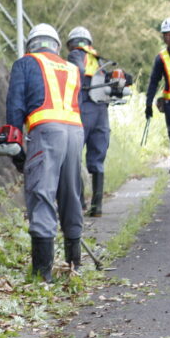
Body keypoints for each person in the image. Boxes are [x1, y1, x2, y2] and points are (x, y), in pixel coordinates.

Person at [2, 23, 84, 280]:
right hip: (75, 133)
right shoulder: (72, 68)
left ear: (31, 44)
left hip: (46, 131)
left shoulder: (26, 63)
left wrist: (15, 146)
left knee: (42, 192)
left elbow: (15, 105)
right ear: (57, 46)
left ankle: (42, 274)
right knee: (71, 193)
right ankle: (74, 264)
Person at [66, 26, 109, 218]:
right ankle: (97, 207)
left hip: (83, 109)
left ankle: (80, 204)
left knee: (74, 156)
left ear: (71, 44)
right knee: (97, 160)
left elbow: (77, 74)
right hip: (101, 113)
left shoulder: (76, 54)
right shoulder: (98, 59)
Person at [144, 17, 170, 178]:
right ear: (163, 37)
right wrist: (148, 104)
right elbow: (153, 82)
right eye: (167, 35)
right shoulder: (161, 58)